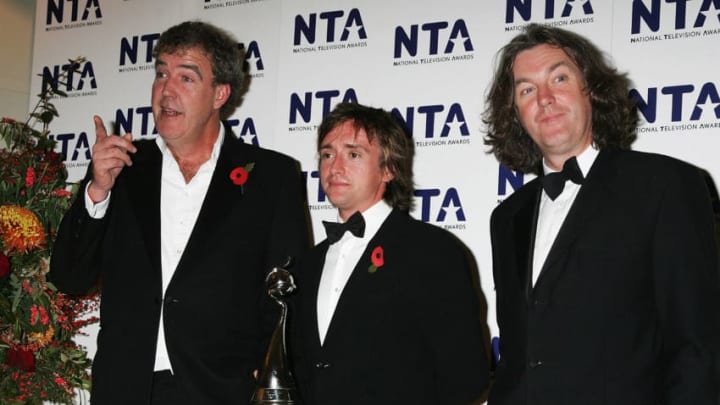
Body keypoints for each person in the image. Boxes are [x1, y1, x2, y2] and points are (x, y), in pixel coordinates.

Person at [49, 21, 311, 404]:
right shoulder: (121, 169)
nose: (166, 91)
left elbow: (287, 295)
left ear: (220, 93)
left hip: (220, 390)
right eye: (160, 74)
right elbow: (69, 277)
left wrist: (263, 375)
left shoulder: (271, 178)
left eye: (186, 78)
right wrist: (97, 190)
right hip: (125, 389)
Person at [483, 23, 720, 405]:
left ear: (590, 89)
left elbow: (697, 345)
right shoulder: (508, 216)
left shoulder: (664, 185)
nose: (544, 98)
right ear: (515, 114)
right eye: (526, 89)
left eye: (559, 78)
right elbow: (517, 356)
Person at [290, 102, 489, 404]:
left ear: (388, 169)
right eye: (327, 154)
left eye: (353, 154)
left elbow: (466, 374)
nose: (335, 167)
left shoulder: (433, 251)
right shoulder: (307, 265)